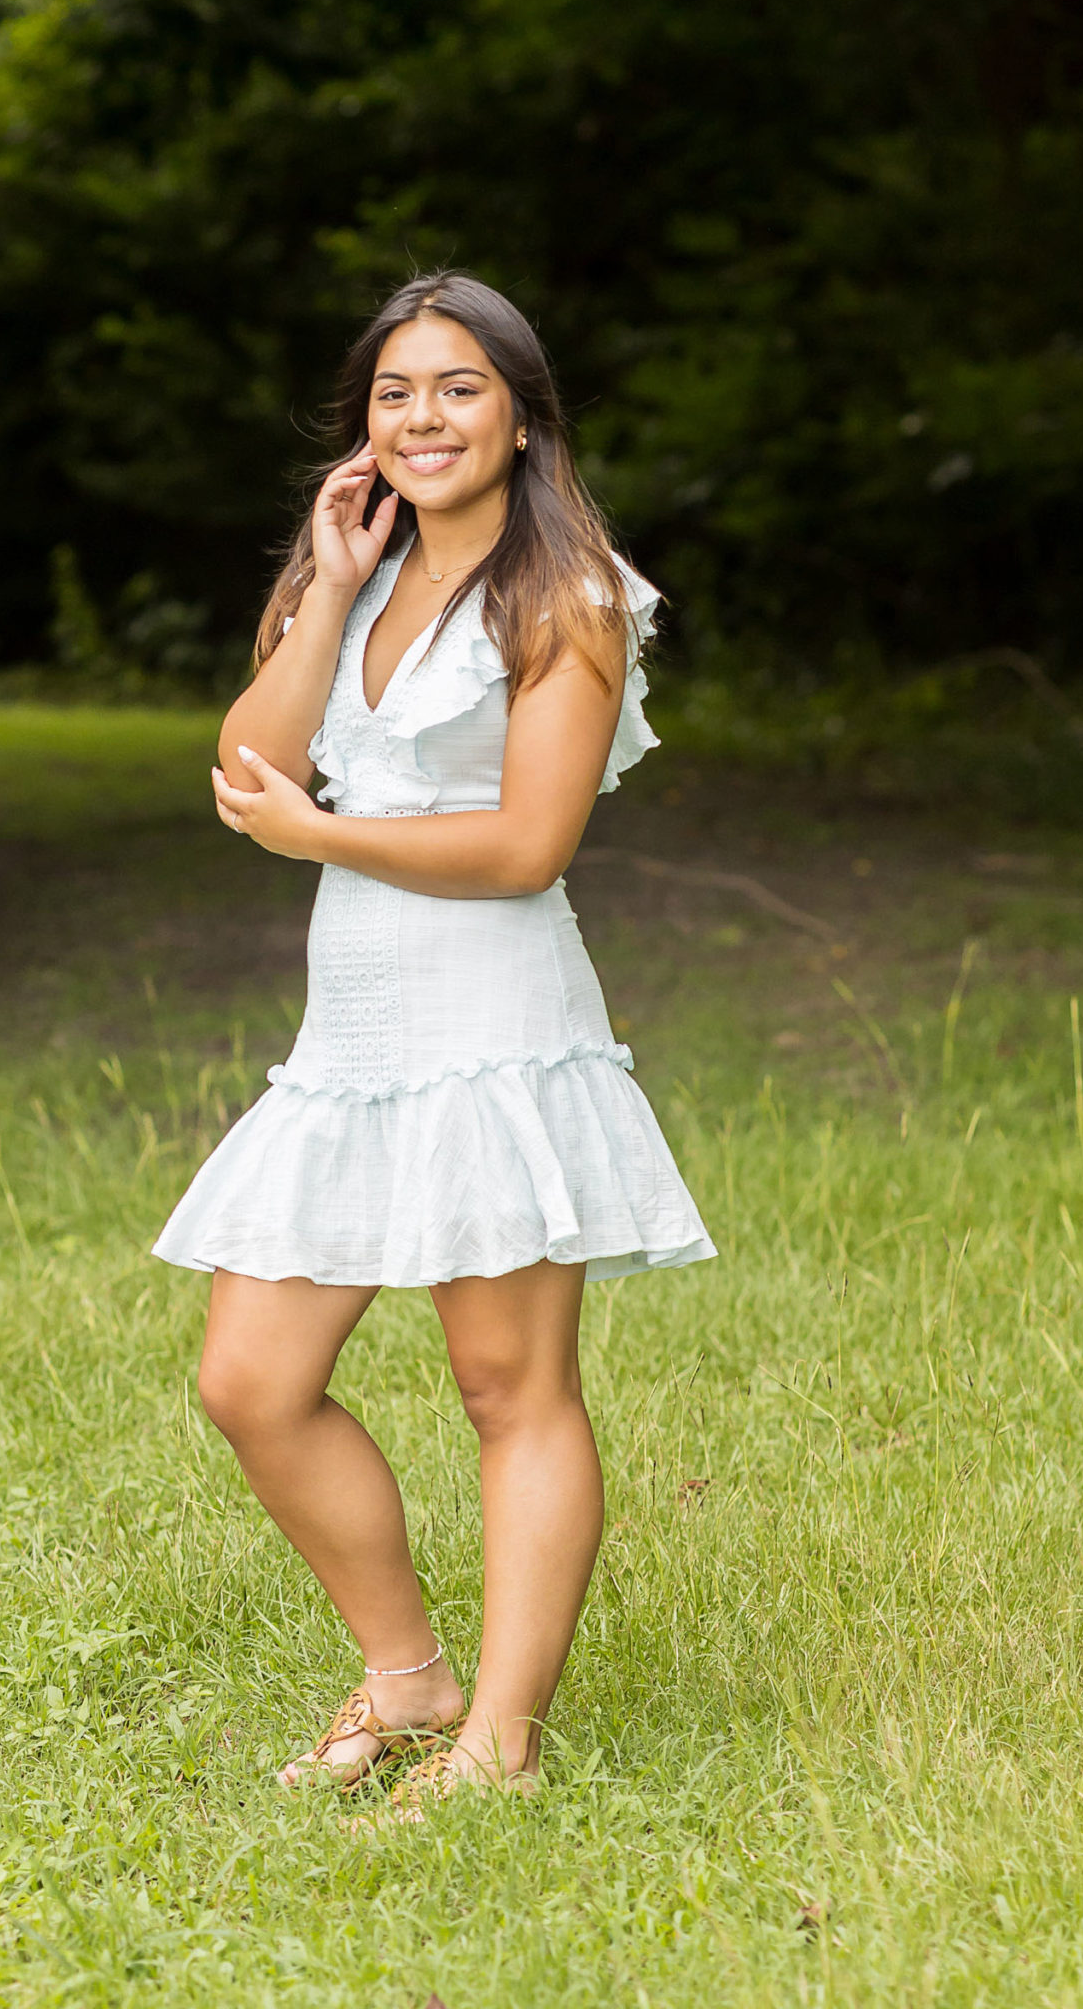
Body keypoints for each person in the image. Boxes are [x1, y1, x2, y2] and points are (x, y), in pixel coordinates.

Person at [153, 271, 714, 1812]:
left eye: (460, 387)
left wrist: (328, 831)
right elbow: (248, 764)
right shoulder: (349, 580)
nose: (426, 418)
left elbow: (531, 843)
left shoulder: (572, 595)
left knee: (506, 1387)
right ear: (364, 430)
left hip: (497, 1027)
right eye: (397, 394)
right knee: (252, 1380)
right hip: (351, 1039)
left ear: (521, 415)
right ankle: (408, 1677)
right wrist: (325, 588)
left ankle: (502, 1744)